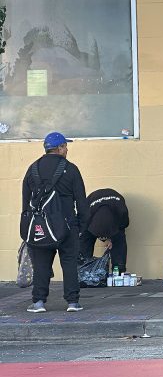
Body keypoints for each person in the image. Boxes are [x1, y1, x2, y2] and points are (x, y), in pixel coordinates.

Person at [22, 132, 89, 313]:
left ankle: (38, 302)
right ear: (59, 148)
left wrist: (28, 226)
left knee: (41, 264)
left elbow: (26, 202)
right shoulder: (71, 169)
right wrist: (82, 226)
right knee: (69, 263)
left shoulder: (32, 169)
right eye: (65, 146)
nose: (67, 149)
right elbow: (81, 201)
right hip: (67, 225)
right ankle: (73, 302)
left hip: (40, 226)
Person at [80, 189, 129, 273]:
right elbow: (87, 228)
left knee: (119, 239)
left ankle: (119, 270)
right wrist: (105, 239)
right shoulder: (87, 215)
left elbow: (123, 225)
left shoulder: (121, 214)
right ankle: (83, 269)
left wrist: (112, 238)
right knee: (84, 240)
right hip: (93, 211)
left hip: (113, 214)